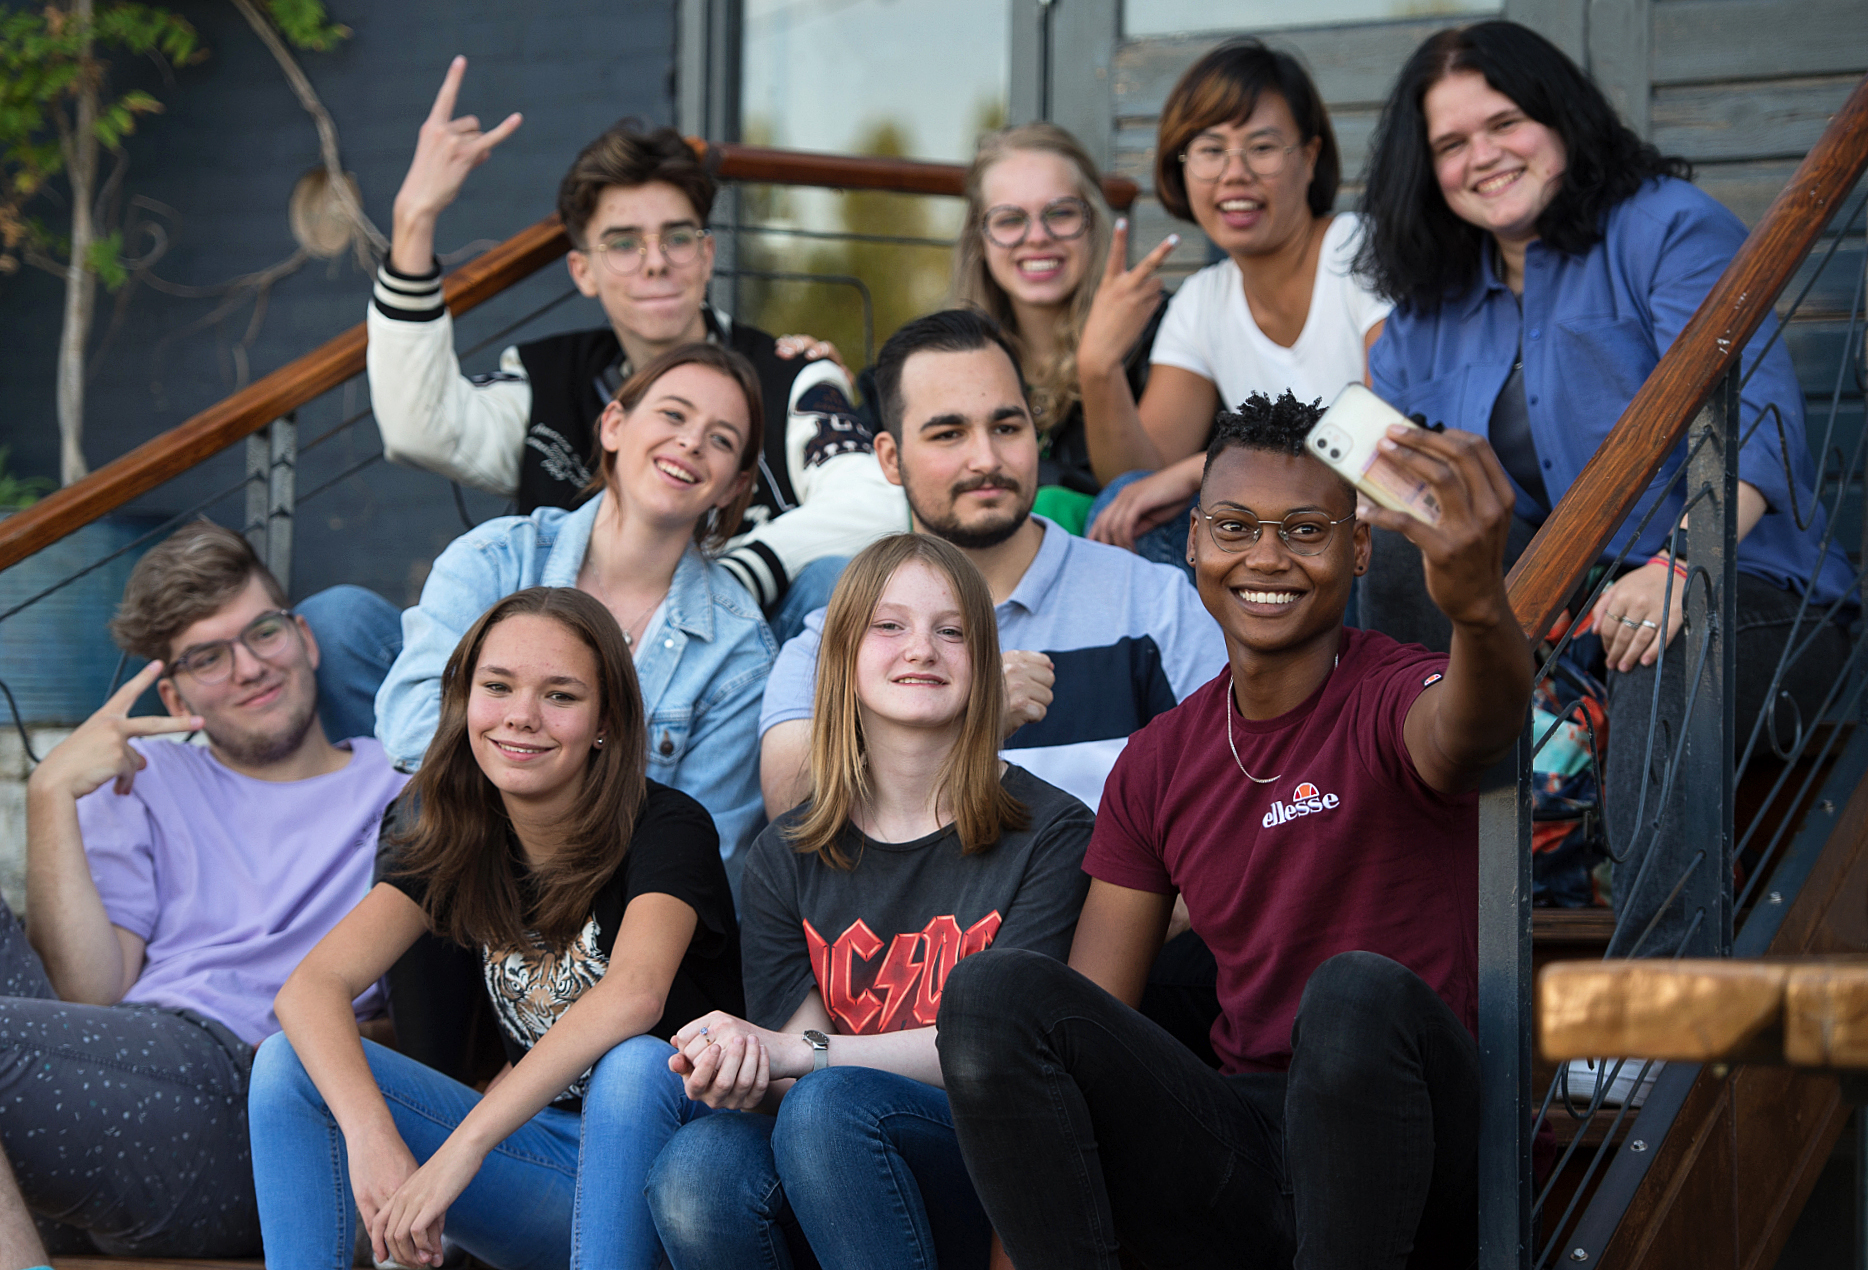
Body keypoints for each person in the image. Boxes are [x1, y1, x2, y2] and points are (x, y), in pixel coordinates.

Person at [936, 391, 1534, 1268]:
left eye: (1304, 529)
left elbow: (1474, 726)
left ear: (1358, 547)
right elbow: (1089, 1019)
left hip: (1422, 1131)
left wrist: (1479, 608)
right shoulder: (1162, 758)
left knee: (1352, 994)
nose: (1266, 556)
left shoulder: (1397, 689)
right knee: (993, 996)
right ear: (1192, 545)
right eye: (1234, 526)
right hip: (1254, 1146)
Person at [1356, 19, 1852, 962]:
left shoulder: (1666, 227)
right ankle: (1414, 937)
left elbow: (1761, 430)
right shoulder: (1430, 300)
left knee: (1661, 643)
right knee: (1384, 561)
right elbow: (1412, 490)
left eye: (1504, 123)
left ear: (1561, 117)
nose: (1483, 157)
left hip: (1748, 598)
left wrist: (1679, 568)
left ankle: (1653, 994)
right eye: (1452, 144)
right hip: (1549, 619)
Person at [250, 587, 742, 1270]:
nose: (521, 717)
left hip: (674, 1180)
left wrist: (460, 1150)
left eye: (561, 696)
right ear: (465, 699)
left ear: (605, 719)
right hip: (542, 1168)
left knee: (635, 1065)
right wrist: (373, 1143)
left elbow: (636, 996)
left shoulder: (667, 826)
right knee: (288, 1061)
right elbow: (310, 988)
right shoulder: (460, 833)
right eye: (498, 686)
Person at [645, 534, 1094, 1270]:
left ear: (984, 663)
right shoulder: (784, 855)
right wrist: (740, 1063)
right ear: (843, 662)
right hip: (839, 1166)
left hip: (995, 1161)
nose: (922, 648)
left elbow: (1004, 1053)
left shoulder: (1053, 832)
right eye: (890, 627)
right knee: (699, 1168)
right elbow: (797, 1070)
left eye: (952, 631)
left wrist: (799, 1055)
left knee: (829, 1108)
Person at [361, 56, 904, 644]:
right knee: (346, 623)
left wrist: (738, 576)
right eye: (623, 243)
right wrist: (414, 219)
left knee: (833, 580)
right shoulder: (547, 379)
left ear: (706, 254)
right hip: (569, 672)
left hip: (744, 666)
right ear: (582, 271)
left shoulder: (788, 373)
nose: (654, 260)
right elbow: (421, 429)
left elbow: (877, 502)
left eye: (677, 236)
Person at [0, 521, 407, 1261]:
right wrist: (51, 791)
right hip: (120, 1098)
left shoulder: (402, 789)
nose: (249, 668)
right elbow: (85, 995)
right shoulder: (141, 779)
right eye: (208, 658)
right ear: (172, 689)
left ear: (305, 637)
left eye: (263, 633)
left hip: (257, 1102)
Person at [760, 309, 1226, 820]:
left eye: (1006, 426)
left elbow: (1230, 801)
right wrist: (968, 725)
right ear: (890, 459)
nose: (985, 458)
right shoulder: (835, 639)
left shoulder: (1157, 605)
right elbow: (794, 807)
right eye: (948, 434)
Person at [377, 342, 776, 865]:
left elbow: (700, 852)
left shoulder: (738, 652)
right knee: (415, 817)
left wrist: (533, 773)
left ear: (735, 486)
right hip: (469, 865)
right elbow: (409, 727)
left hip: (616, 906)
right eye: (673, 414)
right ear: (613, 424)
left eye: (721, 439)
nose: (690, 440)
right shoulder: (495, 560)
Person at [1082, 38, 1391, 569]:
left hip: (1370, 540)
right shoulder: (1205, 299)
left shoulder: (1359, 250)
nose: (1234, 173)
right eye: (1209, 150)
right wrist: (1097, 365)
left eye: (1262, 147)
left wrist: (1196, 468)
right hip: (1280, 547)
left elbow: (1383, 433)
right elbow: (1141, 480)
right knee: (1126, 510)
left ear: (1310, 158)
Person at [943, 122, 1171, 533]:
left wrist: (1099, 364)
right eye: (1010, 220)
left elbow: (1143, 495)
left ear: (1094, 224)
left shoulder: (1160, 330)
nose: (1037, 238)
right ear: (979, 238)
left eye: (1061, 214)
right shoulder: (950, 351)